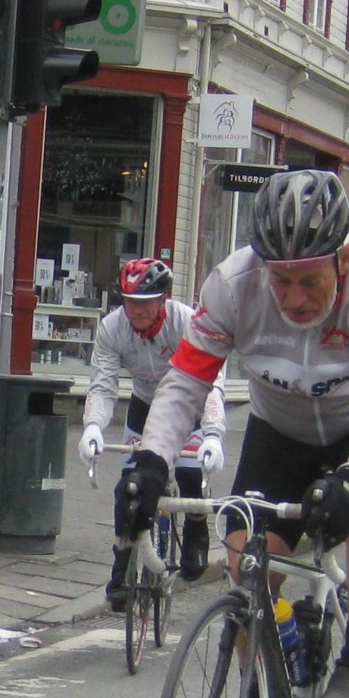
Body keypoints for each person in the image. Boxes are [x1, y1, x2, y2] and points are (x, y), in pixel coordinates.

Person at [124, 168, 349, 698]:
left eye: (311, 280)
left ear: (343, 258)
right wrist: (152, 461)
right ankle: (266, 694)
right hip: (279, 433)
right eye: (280, 280)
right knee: (246, 564)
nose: (295, 298)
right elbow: (186, 382)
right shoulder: (232, 284)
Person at [79, 256, 226, 602]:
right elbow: (102, 385)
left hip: (190, 405)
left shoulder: (187, 323)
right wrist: (93, 427)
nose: (137, 311)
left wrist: (214, 434)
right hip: (145, 408)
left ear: (164, 299)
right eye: (130, 302)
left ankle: (195, 528)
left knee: (191, 476)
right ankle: (122, 568)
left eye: (145, 303)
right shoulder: (112, 328)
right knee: (128, 490)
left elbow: (213, 382)